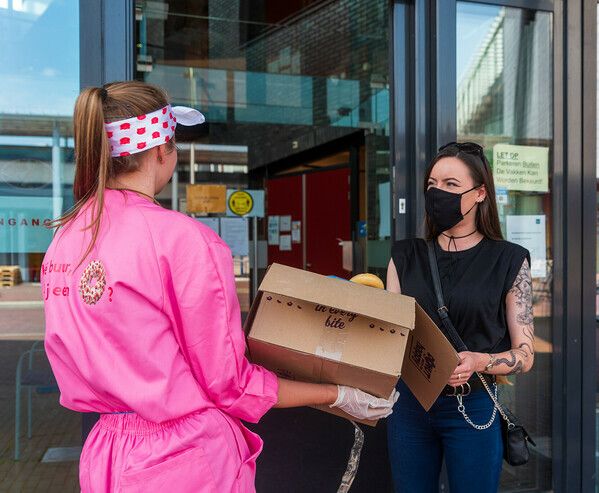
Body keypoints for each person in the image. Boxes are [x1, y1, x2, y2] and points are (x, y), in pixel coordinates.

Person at [41, 81, 397, 493]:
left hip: (105, 456)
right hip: (180, 459)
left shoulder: (66, 239)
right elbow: (231, 385)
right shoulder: (183, 239)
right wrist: (336, 393)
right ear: (162, 150)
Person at [386, 142, 535, 493]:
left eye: (451, 185)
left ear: (479, 192)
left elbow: (526, 355)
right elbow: (392, 337)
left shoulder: (510, 260)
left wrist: (480, 360)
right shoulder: (405, 257)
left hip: (474, 405)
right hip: (409, 404)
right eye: (432, 184)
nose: (438, 193)